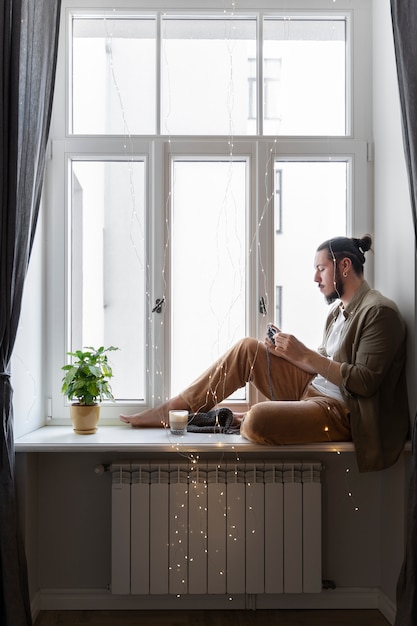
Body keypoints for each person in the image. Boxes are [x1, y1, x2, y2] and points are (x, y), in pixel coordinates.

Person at [120, 234, 410, 472]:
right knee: (248, 348)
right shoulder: (338, 313)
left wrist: (306, 355)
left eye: (321, 268)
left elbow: (365, 382)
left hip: (340, 413)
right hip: (311, 390)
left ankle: (239, 418)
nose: (315, 277)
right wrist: (287, 352)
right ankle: (173, 409)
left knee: (258, 420)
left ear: (344, 266)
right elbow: (324, 363)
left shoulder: (379, 312)